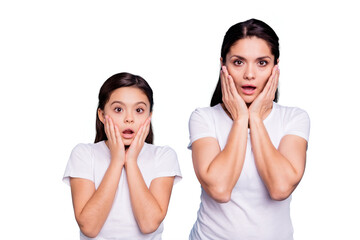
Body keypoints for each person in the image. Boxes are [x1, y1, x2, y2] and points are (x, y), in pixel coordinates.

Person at [188, 19, 310, 240]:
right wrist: (240, 118)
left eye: (262, 63)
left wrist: (254, 117)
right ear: (223, 65)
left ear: (275, 67)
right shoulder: (203, 118)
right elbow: (220, 189)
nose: (250, 75)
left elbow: (280, 188)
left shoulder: (294, 118)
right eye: (238, 62)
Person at [63, 72, 182, 239]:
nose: (129, 119)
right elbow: (89, 227)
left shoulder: (163, 156)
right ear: (102, 115)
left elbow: (149, 224)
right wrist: (117, 160)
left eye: (139, 110)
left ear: (149, 116)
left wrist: (131, 161)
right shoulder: (84, 154)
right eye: (118, 109)